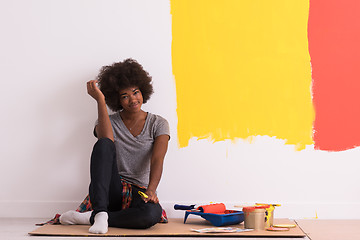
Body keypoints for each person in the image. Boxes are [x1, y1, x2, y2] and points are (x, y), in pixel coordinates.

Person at [59, 59, 170, 234]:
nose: (132, 99)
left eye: (135, 92)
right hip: (112, 189)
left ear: (143, 91)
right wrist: (100, 101)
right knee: (103, 143)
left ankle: (92, 217)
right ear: (117, 100)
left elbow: (158, 158)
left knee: (151, 215)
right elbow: (106, 142)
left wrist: (151, 190)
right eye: (124, 96)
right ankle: (101, 212)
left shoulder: (158, 123)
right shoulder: (108, 122)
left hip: (139, 191)